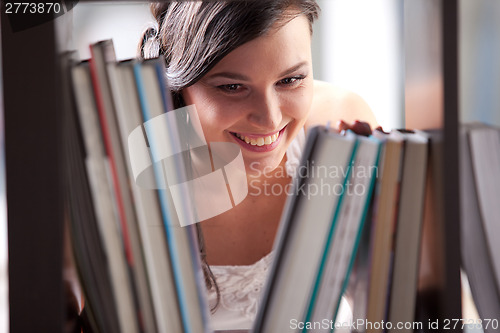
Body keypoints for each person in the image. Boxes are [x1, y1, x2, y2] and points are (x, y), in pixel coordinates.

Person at [139, 0, 378, 330]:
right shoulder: (135, 166)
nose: (270, 118)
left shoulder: (341, 128)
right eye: (233, 87)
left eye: (291, 80)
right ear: (180, 88)